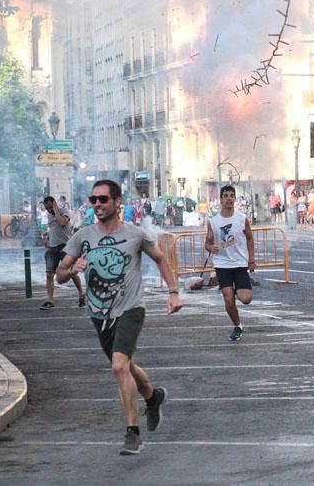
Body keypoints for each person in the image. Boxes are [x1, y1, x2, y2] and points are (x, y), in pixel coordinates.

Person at [56, 179, 182, 456]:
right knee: (126, 366)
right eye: (93, 200)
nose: (97, 204)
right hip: (99, 313)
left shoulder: (136, 235)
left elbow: (160, 258)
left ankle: (132, 433)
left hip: (131, 308)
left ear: (116, 202)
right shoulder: (82, 236)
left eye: (103, 199)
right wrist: (72, 269)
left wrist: (173, 292)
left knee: (118, 365)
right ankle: (153, 396)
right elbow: (60, 274)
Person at [205, 184, 256, 341]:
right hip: (222, 264)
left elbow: (249, 238)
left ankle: (234, 291)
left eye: (231, 196)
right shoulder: (213, 221)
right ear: (221, 199)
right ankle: (237, 326)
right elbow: (207, 243)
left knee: (246, 298)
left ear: (235, 199)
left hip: (240, 263)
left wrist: (252, 260)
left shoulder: (242, 219)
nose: (228, 199)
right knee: (228, 298)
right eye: (225, 196)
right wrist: (210, 247)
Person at [41, 196, 84, 310]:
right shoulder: (49, 215)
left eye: (50, 207)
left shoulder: (64, 211)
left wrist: (56, 210)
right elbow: (51, 228)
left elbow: (63, 222)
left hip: (65, 247)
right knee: (49, 274)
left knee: (72, 273)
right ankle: (50, 300)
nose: (49, 210)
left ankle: (81, 294)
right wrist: (47, 238)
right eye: (47, 209)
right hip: (52, 247)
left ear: (54, 204)